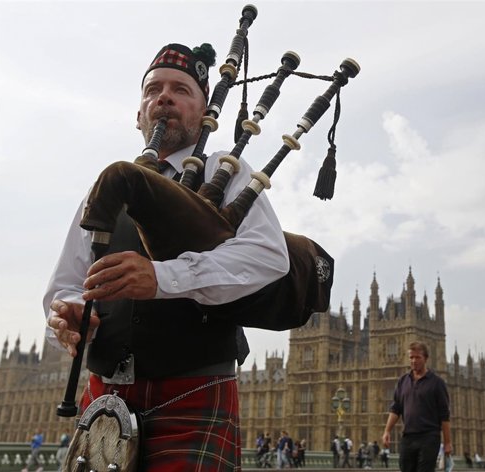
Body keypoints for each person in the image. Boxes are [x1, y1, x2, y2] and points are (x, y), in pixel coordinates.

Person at [43, 42, 289, 471]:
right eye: (153, 89)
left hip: (192, 392)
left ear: (204, 112)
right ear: (139, 113)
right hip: (104, 396)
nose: (164, 97)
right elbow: (66, 285)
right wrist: (70, 317)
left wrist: (162, 277)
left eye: (181, 89)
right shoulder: (104, 190)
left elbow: (269, 256)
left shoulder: (223, 172)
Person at [382, 341, 452, 472]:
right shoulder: (403, 381)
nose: (414, 360)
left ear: (426, 358)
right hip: (408, 437)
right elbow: (396, 408)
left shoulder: (437, 383)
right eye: (411, 357)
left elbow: (444, 415)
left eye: (417, 357)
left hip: (429, 437)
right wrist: (387, 431)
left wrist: (447, 442)